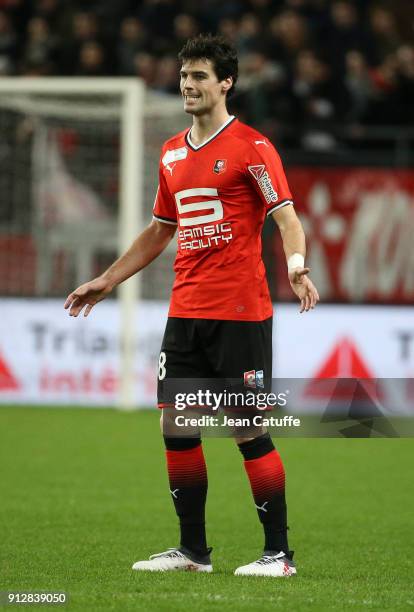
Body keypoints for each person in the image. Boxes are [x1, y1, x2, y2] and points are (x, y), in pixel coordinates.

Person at [64, 33, 319, 577]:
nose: (188, 84)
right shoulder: (172, 152)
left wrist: (297, 267)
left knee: (247, 428)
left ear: (226, 83)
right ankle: (193, 552)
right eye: (184, 75)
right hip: (185, 312)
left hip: (240, 313)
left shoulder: (253, 148)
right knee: (176, 427)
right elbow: (160, 230)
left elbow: (287, 218)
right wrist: (107, 280)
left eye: (200, 76)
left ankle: (279, 555)